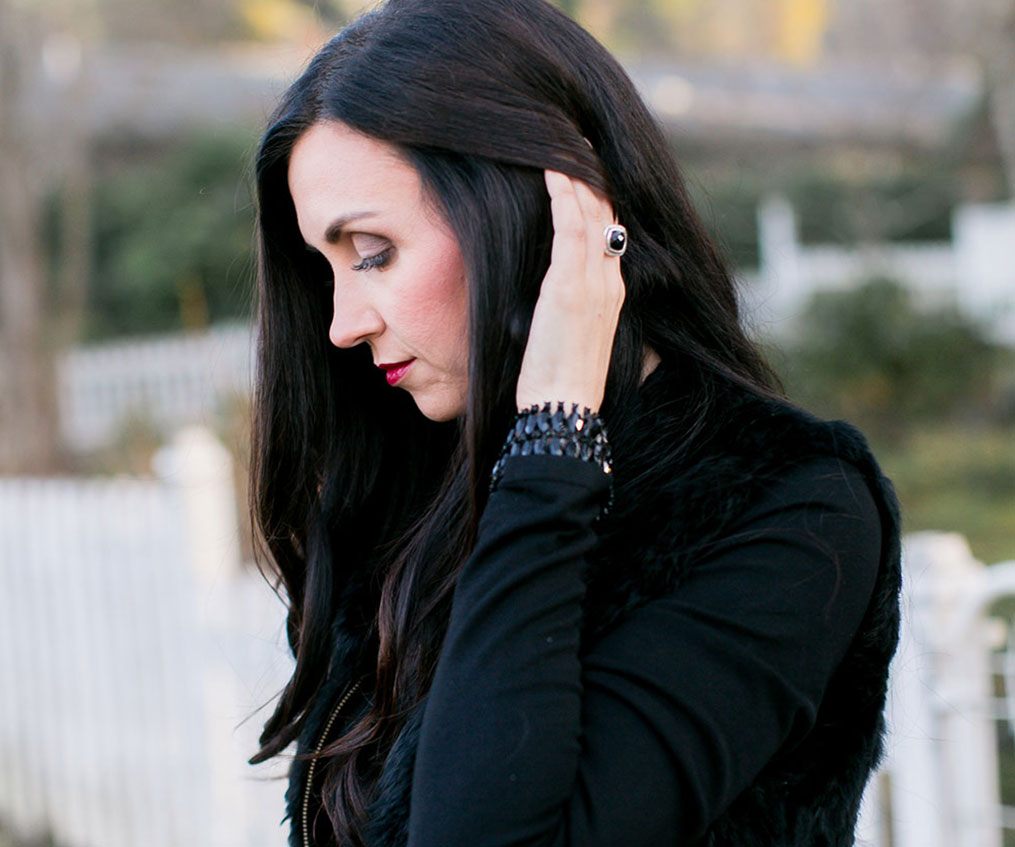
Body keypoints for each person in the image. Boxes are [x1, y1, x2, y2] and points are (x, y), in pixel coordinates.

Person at [247, 1, 902, 845]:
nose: (342, 322)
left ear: (539, 212)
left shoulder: (793, 508)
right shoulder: (411, 488)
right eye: (326, 268)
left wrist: (553, 440)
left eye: (373, 252)